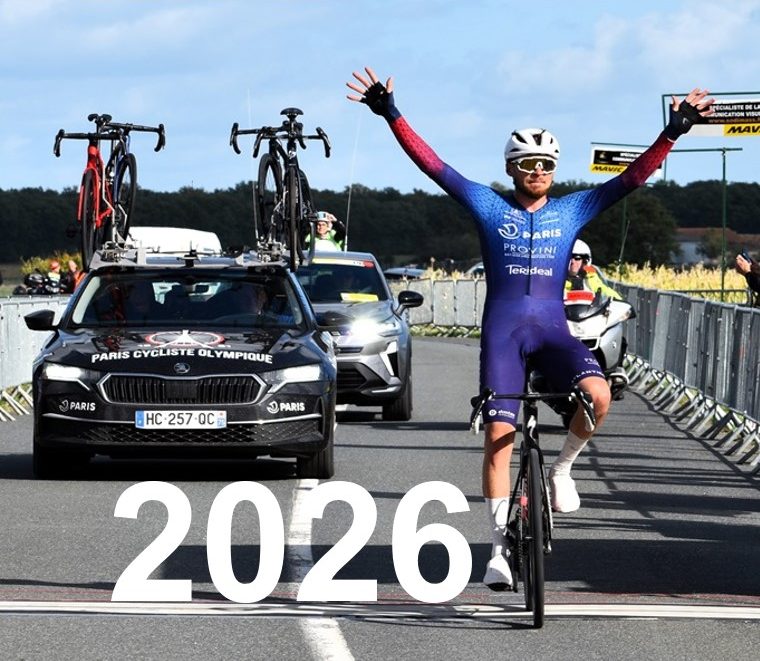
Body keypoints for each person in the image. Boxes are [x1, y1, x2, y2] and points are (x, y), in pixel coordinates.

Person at [347, 66, 714, 590]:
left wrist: (673, 131)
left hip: (552, 331)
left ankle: (562, 468)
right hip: (504, 335)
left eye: (545, 164)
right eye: (526, 164)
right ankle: (498, 549)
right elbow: (434, 166)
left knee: (599, 395)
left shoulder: (572, 209)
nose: (537, 171)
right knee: (499, 436)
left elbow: (631, 179)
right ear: (511, 168)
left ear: (554, 170)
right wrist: (390, 113)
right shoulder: (488, 205)